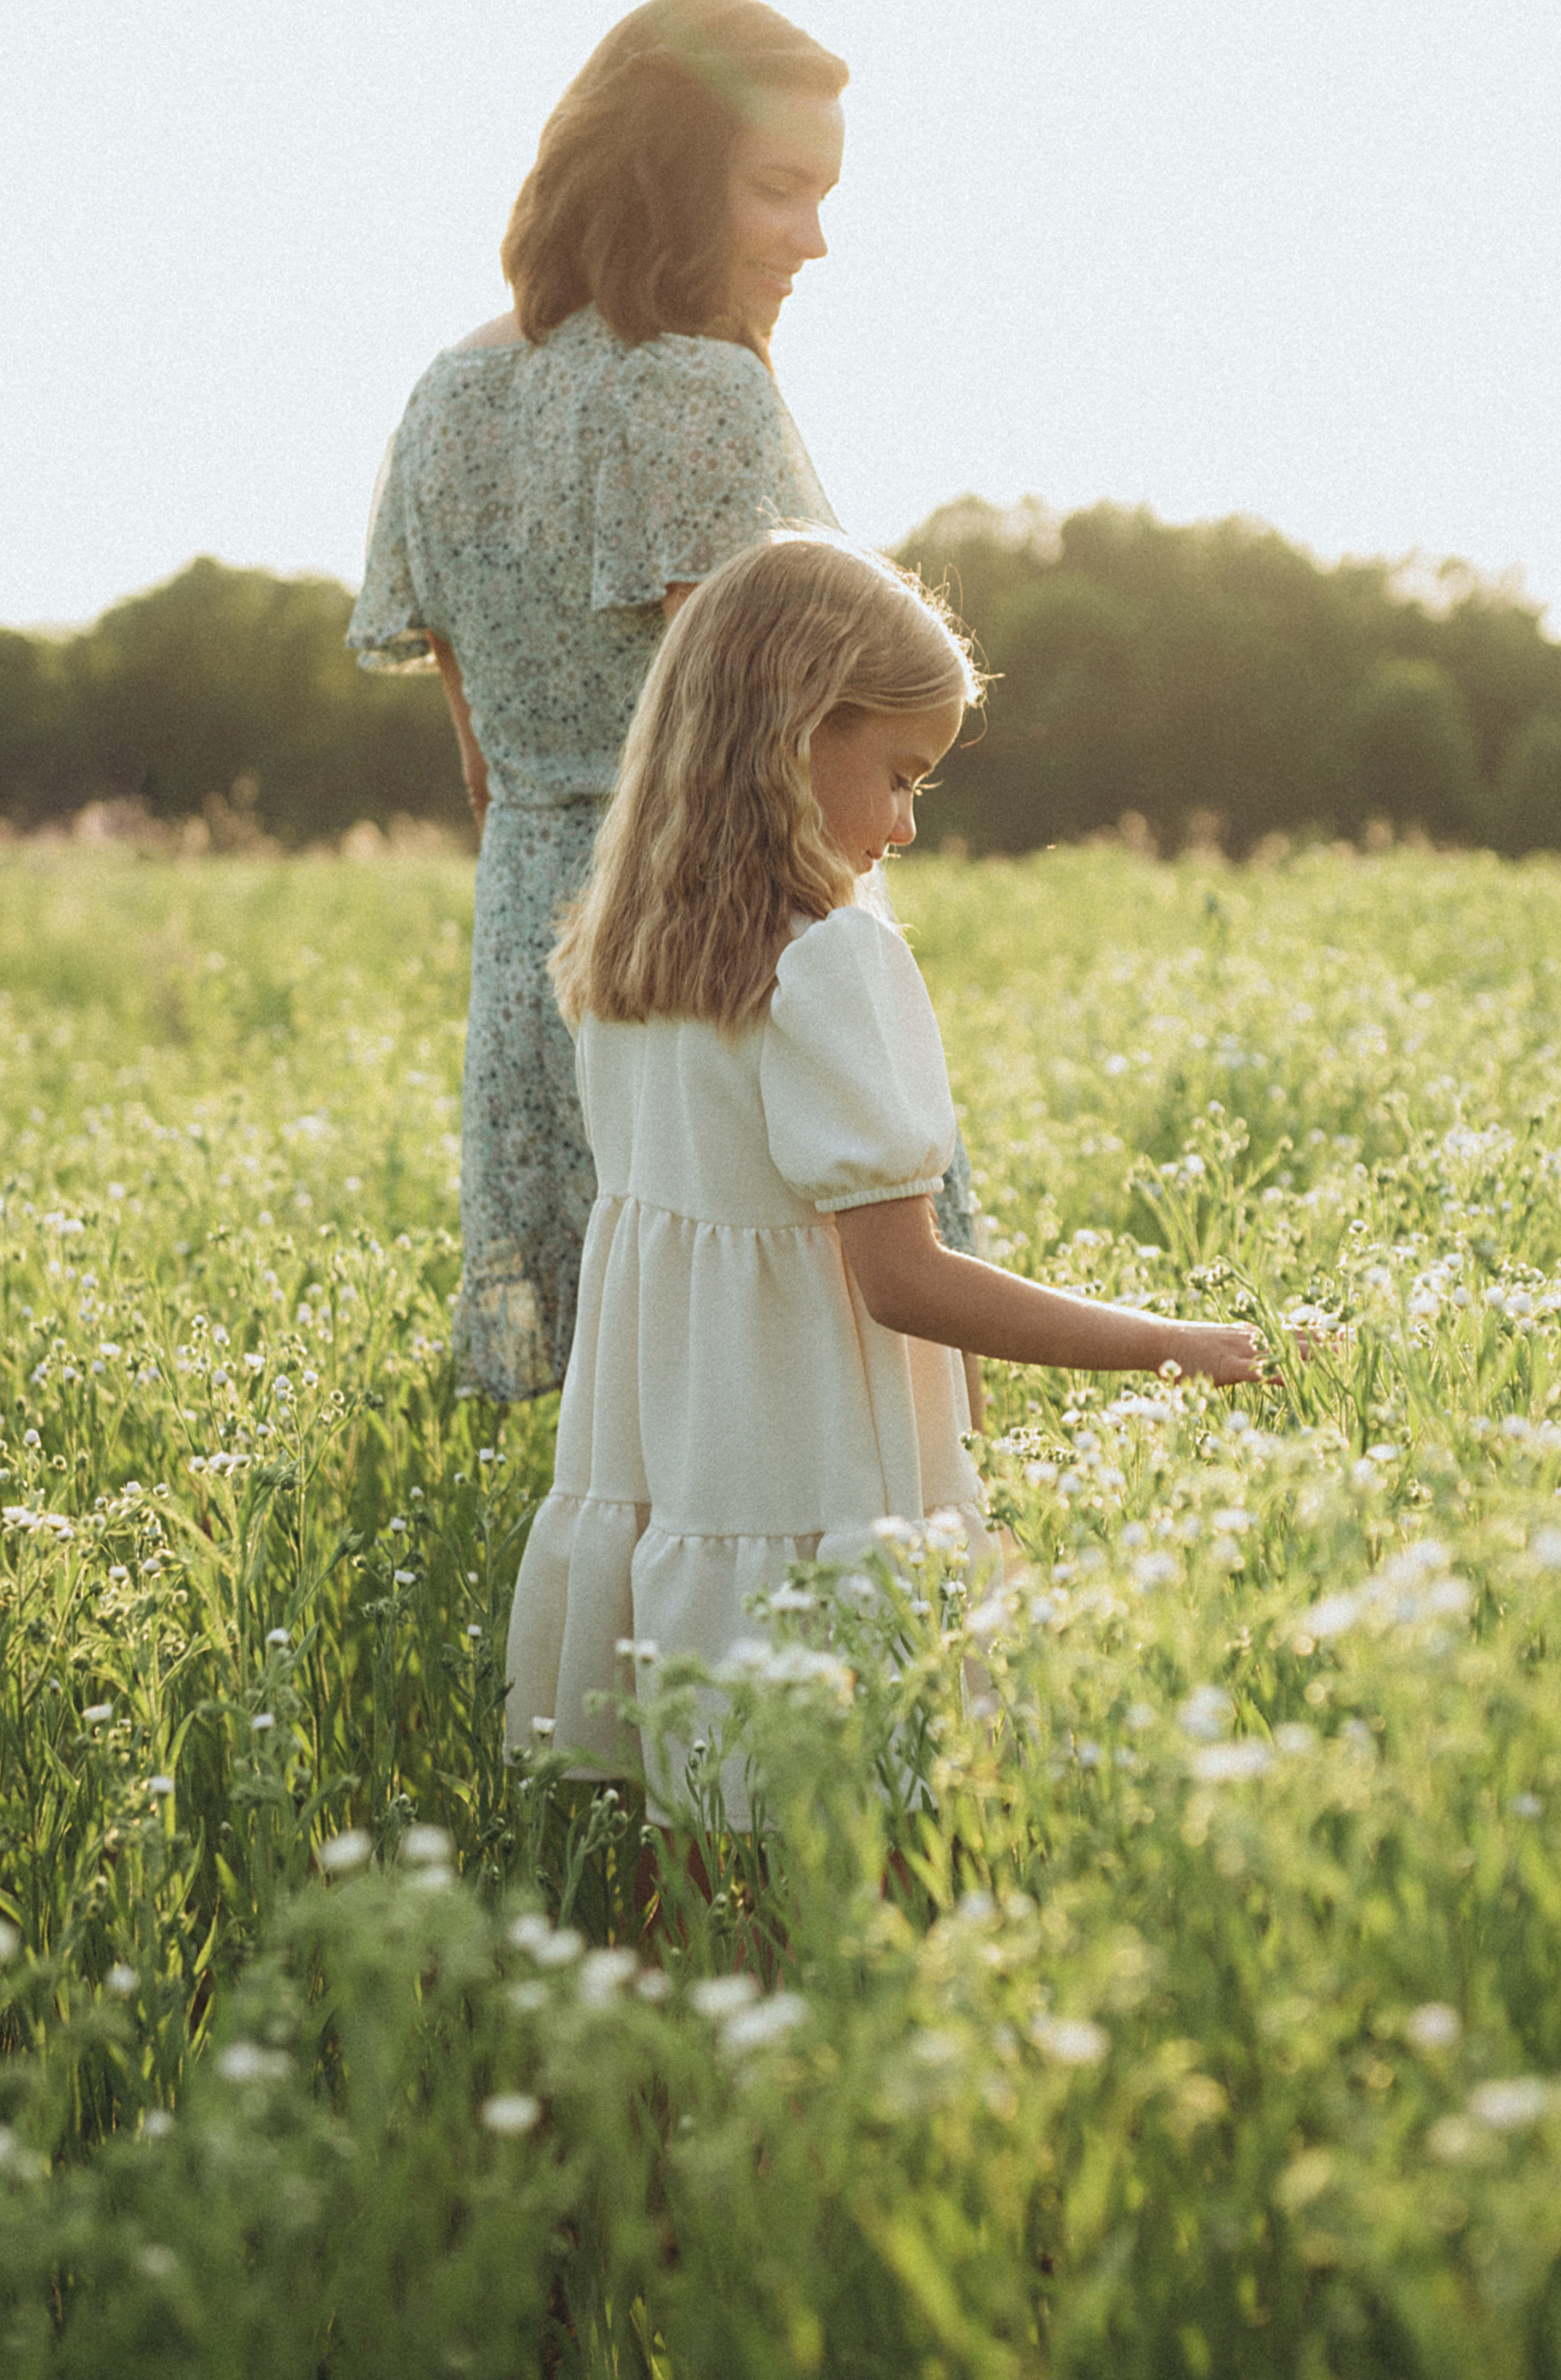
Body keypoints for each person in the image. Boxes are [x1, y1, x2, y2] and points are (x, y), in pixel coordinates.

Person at [503, 529, 1266, 1818]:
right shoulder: (831, 963)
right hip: (815, 1468)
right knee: (859, 1854)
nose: (908, 825)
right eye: (901, 776)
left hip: (688, 1469)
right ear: (799, 730)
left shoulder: (622, 967)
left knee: (693, 1837)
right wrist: (1169, 1344)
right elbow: (901, 1278)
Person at [347, 0, 976, 1401]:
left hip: (537, 946)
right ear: (671, 177)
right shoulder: (697, 392)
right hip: (721, 936)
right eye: (781, 190)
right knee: (799, 1387)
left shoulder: (445, 395)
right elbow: (758, 757)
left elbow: (484, 769)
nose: (814, 238)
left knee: (604, 1405)